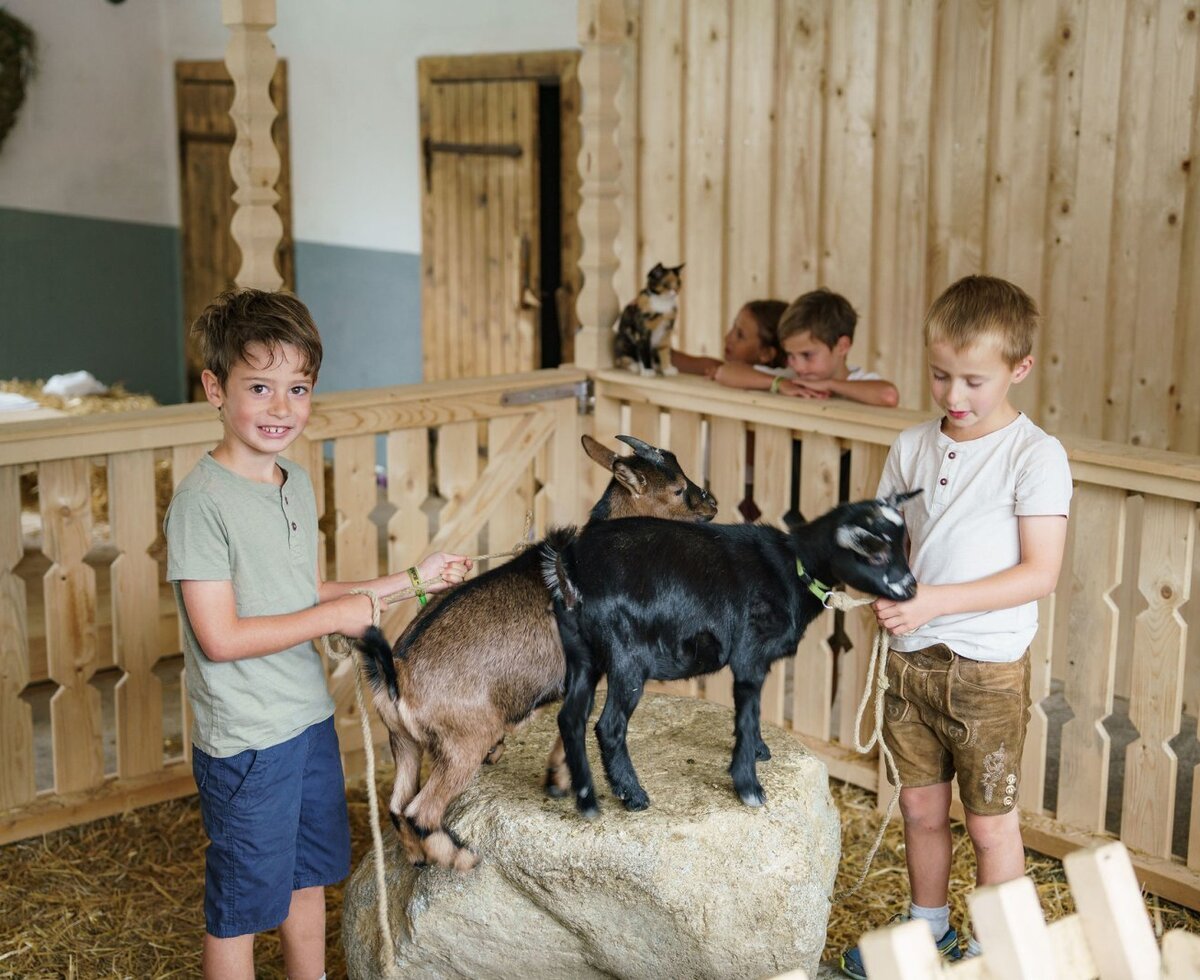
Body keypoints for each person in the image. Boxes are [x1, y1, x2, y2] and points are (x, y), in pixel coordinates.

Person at [164, 288, 471, 980]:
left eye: (297, 387)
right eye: (260, 387)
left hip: (306, 725)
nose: (281, 408)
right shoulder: (201, 505)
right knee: (242, 906)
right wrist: (335, 619)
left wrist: (413, 580)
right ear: (214, 388)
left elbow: (305, 594)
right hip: (247, 741)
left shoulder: (294, 482)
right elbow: (221, 636)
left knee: (308, 882)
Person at [838, 275, 1072, 978]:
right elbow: (890, 539)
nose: (953, 396)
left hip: (984, 672)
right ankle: (928, 930)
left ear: (1018, 370)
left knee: (990, 822)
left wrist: (935, 600)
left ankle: (1000, 951)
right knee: (919, 810)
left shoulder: (1035, 457)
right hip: (911, 659)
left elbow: (1040, 573)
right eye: (940, 375)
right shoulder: (912, 445)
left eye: (973, 380)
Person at [718, 288, 900, 407]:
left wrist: (829, 385)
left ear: (842, 346)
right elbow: (725, 372)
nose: (798, 366)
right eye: (791, 355)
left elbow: (889, 395)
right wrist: (778, 383)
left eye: (807, 355)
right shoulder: (792, 380)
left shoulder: (861, 382)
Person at [670, 299, 787, 382]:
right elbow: (688, 363)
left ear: (766, 354)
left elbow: (725, 371)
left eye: (740, 335)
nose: (727, 338)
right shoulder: (724, 368)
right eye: (733, 328)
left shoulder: (784, 377)